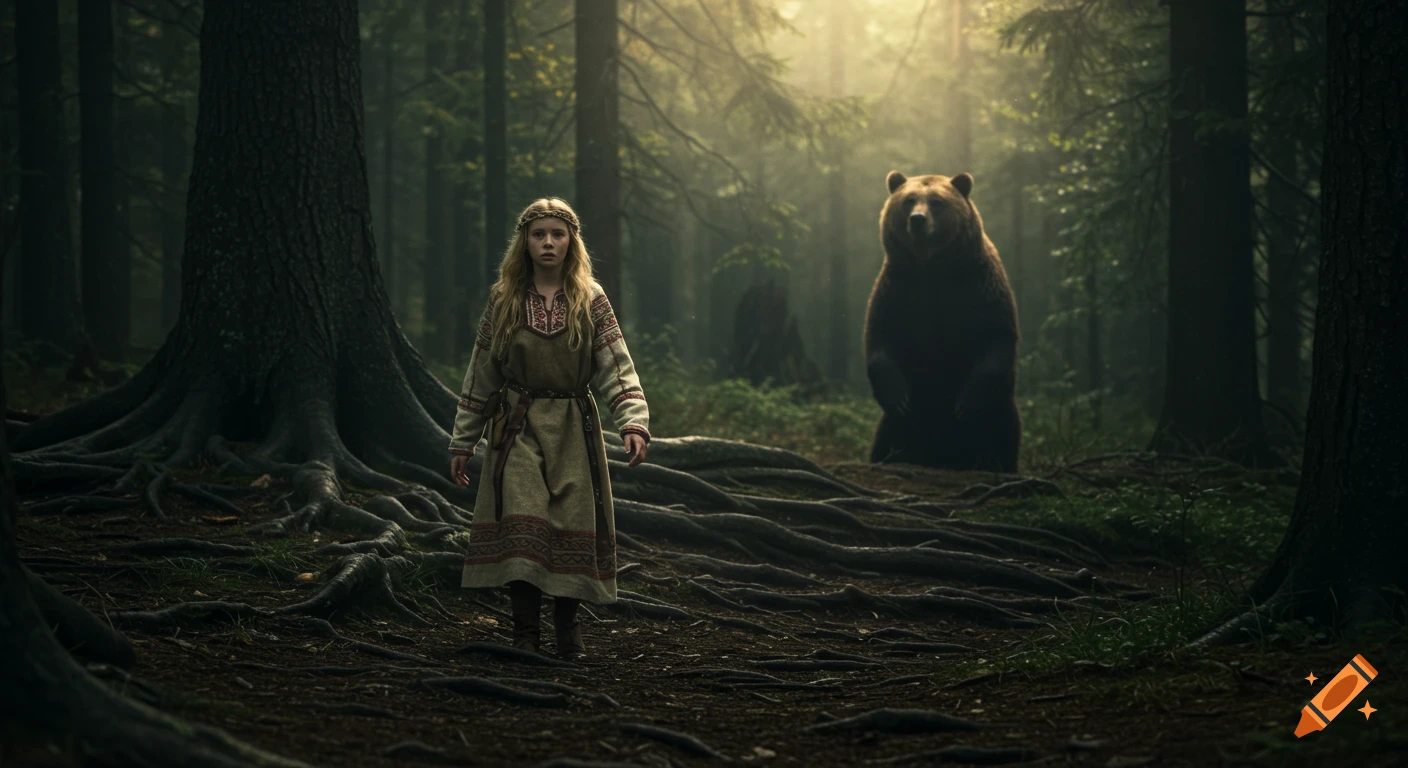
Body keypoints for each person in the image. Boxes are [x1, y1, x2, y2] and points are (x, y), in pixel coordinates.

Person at [447, 197, 650, 661]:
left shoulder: (591, 297)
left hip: (574, 428)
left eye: (557, 234)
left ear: (571, 242)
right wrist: (463, 439)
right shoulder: (503, 299)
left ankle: (567, 631)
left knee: (570, 524)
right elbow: (481, 372)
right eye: (538, 234)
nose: (548, 242)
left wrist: (633, 421)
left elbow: (615, 366)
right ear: (525, 242)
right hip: (516, 426)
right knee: (523, 519)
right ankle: (524, 634)